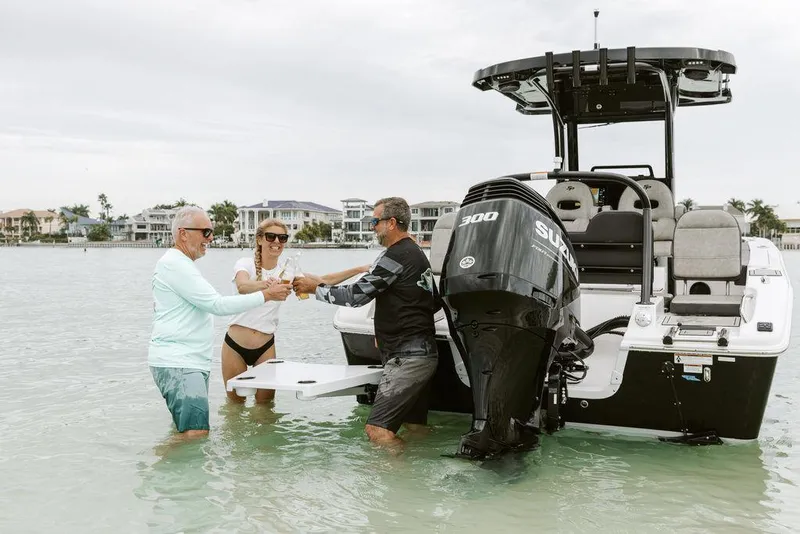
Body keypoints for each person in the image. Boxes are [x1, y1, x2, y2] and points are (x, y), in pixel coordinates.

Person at [293, 197, 440, 447]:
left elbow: (356, 296)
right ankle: (419, 478)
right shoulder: (415, 253)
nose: (372, 227)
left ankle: (397, 484)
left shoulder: (396, 255)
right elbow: (432, 302)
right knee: (415, 428)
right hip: (421, 354)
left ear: (391, 223)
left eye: (375, 221)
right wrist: (386, 328)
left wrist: (315, 288)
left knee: (377, 431)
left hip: (408, 358)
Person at [148, 206, 292, 439]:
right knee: (196, 433)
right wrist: (267, 294)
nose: (211, 238)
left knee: (189, 432)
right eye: (205, 232)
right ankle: (151, 468)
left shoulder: (179, 264)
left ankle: (175, 475)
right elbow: (218, 305)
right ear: (183, 233)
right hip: (180, 363)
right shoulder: (175, 264)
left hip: (188, 363)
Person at [222, 218, 371, 403]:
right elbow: (242, 286)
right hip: (235, 345)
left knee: (265, 410)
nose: (276, 242)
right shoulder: (245, 263)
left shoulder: (288, 271)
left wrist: (360, 269)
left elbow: (324, 280)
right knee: (235, 408)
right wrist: (268, 287)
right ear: (259, 239)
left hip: (265, 347)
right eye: (271, 236)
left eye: (282, 238)